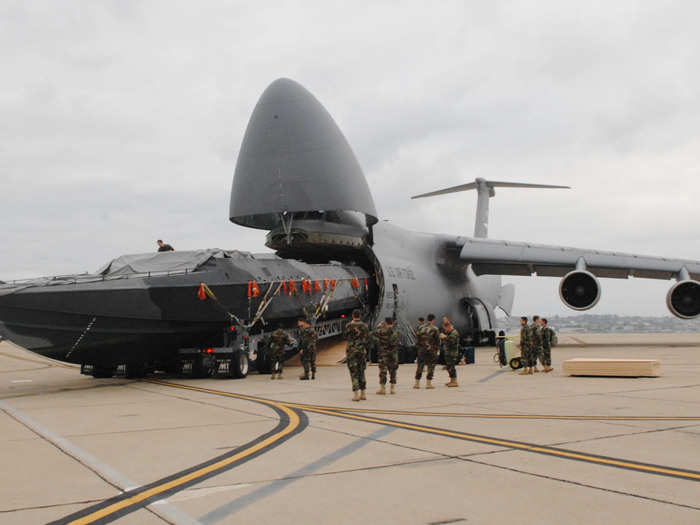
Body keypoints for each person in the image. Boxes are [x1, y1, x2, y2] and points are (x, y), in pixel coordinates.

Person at [343, 309, 369, 401]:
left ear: (353, 316)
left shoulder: (348, 326)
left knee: (353, 372)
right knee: (361, 371)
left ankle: (356, 395)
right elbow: (367, 338)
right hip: (361, 351)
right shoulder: (365, 326)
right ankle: (363, 394)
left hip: (351, 351)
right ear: (360, 316)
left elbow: (345, 336)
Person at [373, 317, 400, 395]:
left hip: (383, 354)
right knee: (393, 371)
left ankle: (383, 389)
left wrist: (378, 327)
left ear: (385, 323)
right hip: (393, 354)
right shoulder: (396, 332)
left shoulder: (381, 331)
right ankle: (392, 389)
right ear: (392, 323)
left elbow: (372, 334)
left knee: (383, 371)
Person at [414, 313, 440, 389]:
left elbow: (417, 338)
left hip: (422, 349)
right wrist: (437, 349)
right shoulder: (435, 329)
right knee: (431, 366)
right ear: (433, 320)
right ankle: (428, 384)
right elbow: (438, 341)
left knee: (420, 365)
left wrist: (419, 347)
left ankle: (417, 384)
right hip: (431, 350)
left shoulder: (420, 327)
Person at [440, 317, 460, 387]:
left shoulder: (454, 332)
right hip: (448, 352)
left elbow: (452, 341)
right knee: (449, 367)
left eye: (446, 329)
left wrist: (444, 337)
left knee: (451, 367)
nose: (445, 330)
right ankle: (452, 380)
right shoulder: (450, 332)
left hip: (452, 353)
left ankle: (454, 382)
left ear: (448, 327)